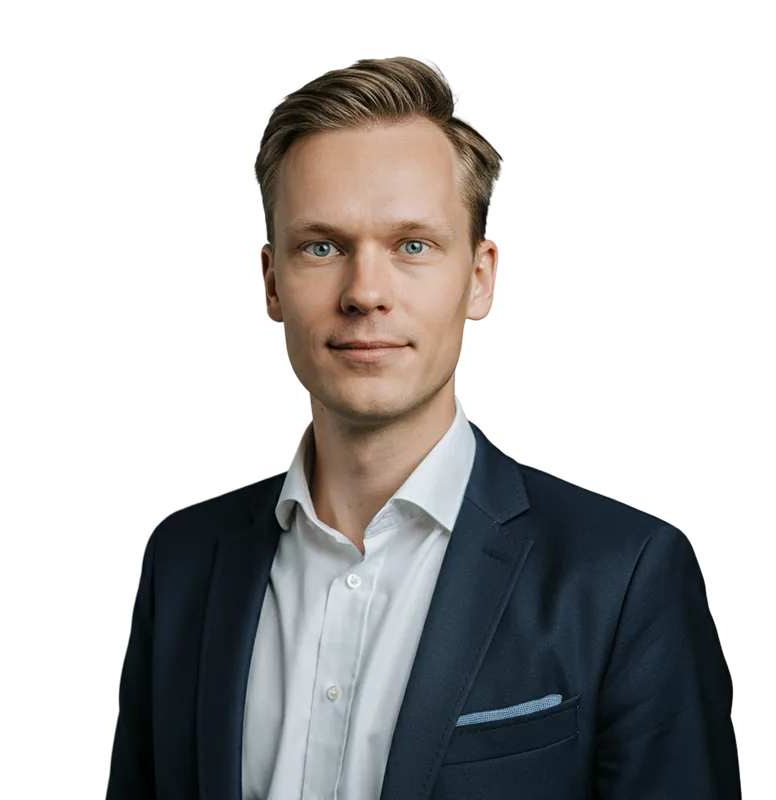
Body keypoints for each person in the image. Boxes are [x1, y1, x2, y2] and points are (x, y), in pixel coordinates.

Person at [107, 56, 741, 799]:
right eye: (322, 246)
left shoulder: (623, 575)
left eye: (412, 245)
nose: (365, 292)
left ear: (481, 278)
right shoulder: (182, 562)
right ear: (271, 283)